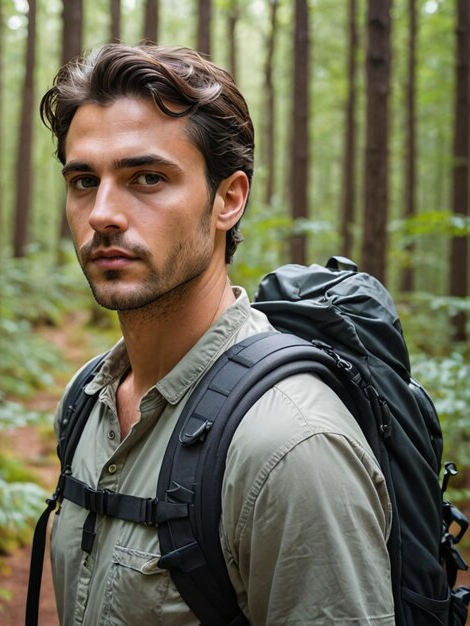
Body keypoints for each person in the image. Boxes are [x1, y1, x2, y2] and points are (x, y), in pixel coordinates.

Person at [40, 43, 394, 625]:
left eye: (147, 177)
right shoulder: (86, 403)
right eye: (83, 181)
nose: (102, 213)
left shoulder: (290, 446)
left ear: (228, 198)